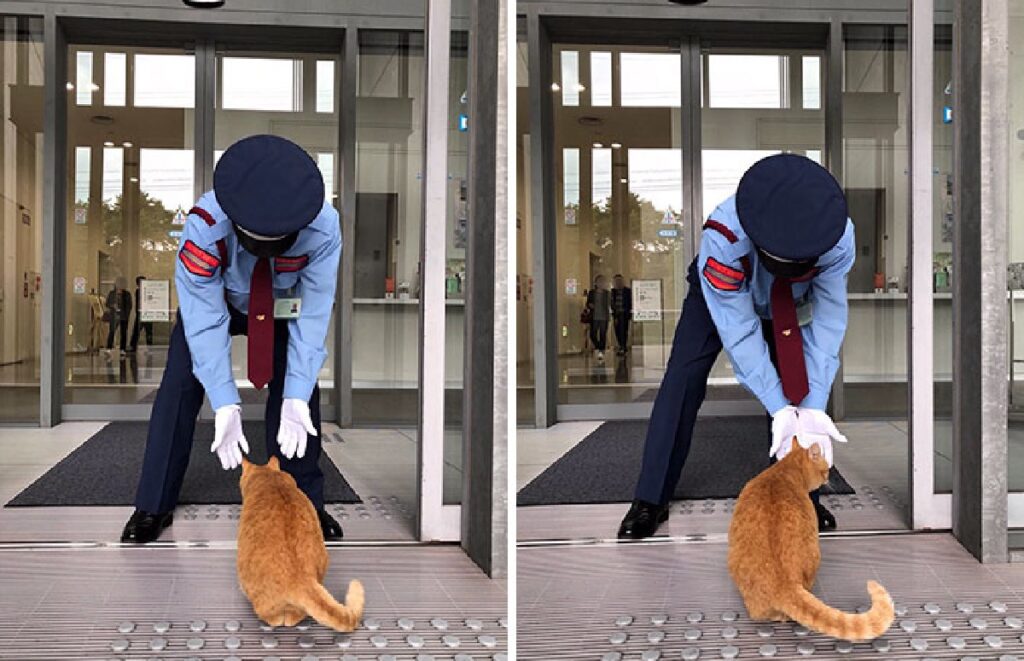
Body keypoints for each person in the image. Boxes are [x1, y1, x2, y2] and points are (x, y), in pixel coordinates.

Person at [121, 134, 343, 544]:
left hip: (280, 307)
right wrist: (224, 401)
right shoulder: (204, 227)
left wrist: (295, 390)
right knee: (178, 385)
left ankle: (306, 506)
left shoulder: (324, 227)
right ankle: (153, 503)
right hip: (216, 303)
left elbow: (312, 314)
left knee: (300, 397)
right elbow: (203, 322)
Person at [618, 154, 854, 539]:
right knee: (683, 379)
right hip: (720, 296)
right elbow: (741, 334)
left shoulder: (836, 235)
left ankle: (803, 496)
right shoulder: (723, 238)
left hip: (786, 302)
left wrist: (809, 407)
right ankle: (650, 497)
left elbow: (828, 326)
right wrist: (777, 406)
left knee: (798, 386)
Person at [586, 275, 611, 362]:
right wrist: (590, 305)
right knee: (592, 334)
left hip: (604, 316)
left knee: (603, 334)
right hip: (594, 316)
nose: (601, 283)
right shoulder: (592, 293)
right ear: (596, 283)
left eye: (602, 282)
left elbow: (610, 304)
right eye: (599, 281)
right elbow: (588, 303)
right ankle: (598, 346)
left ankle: (601, 351)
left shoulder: (607, 293)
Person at [105, 277, 131, 354]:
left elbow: (129, 305)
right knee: (112, 332)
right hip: (114, 315)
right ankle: (109, 347)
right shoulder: (112, 293)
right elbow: (107, 303)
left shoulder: (127, 294)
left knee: (123, 333)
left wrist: (126, 314)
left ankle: (122, 349)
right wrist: (113, 306)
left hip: (123, 316)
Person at [129, 276, 154, 352]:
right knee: (137, 331)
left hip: (147, 314)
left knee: (148, 332)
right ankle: (133, 347)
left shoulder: (148, 291)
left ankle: (149, 347)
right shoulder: (138, 291)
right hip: (141, 314)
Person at [610, 274, 632, 356]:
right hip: (616, 314)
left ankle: (623, 346)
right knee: (617, 331)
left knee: (623, 331)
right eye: (616, 281)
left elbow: (630, 303)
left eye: (620, 281)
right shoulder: (613, 292)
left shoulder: (627, 291)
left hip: (624, 314)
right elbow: (612, 303)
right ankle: (621, 346)